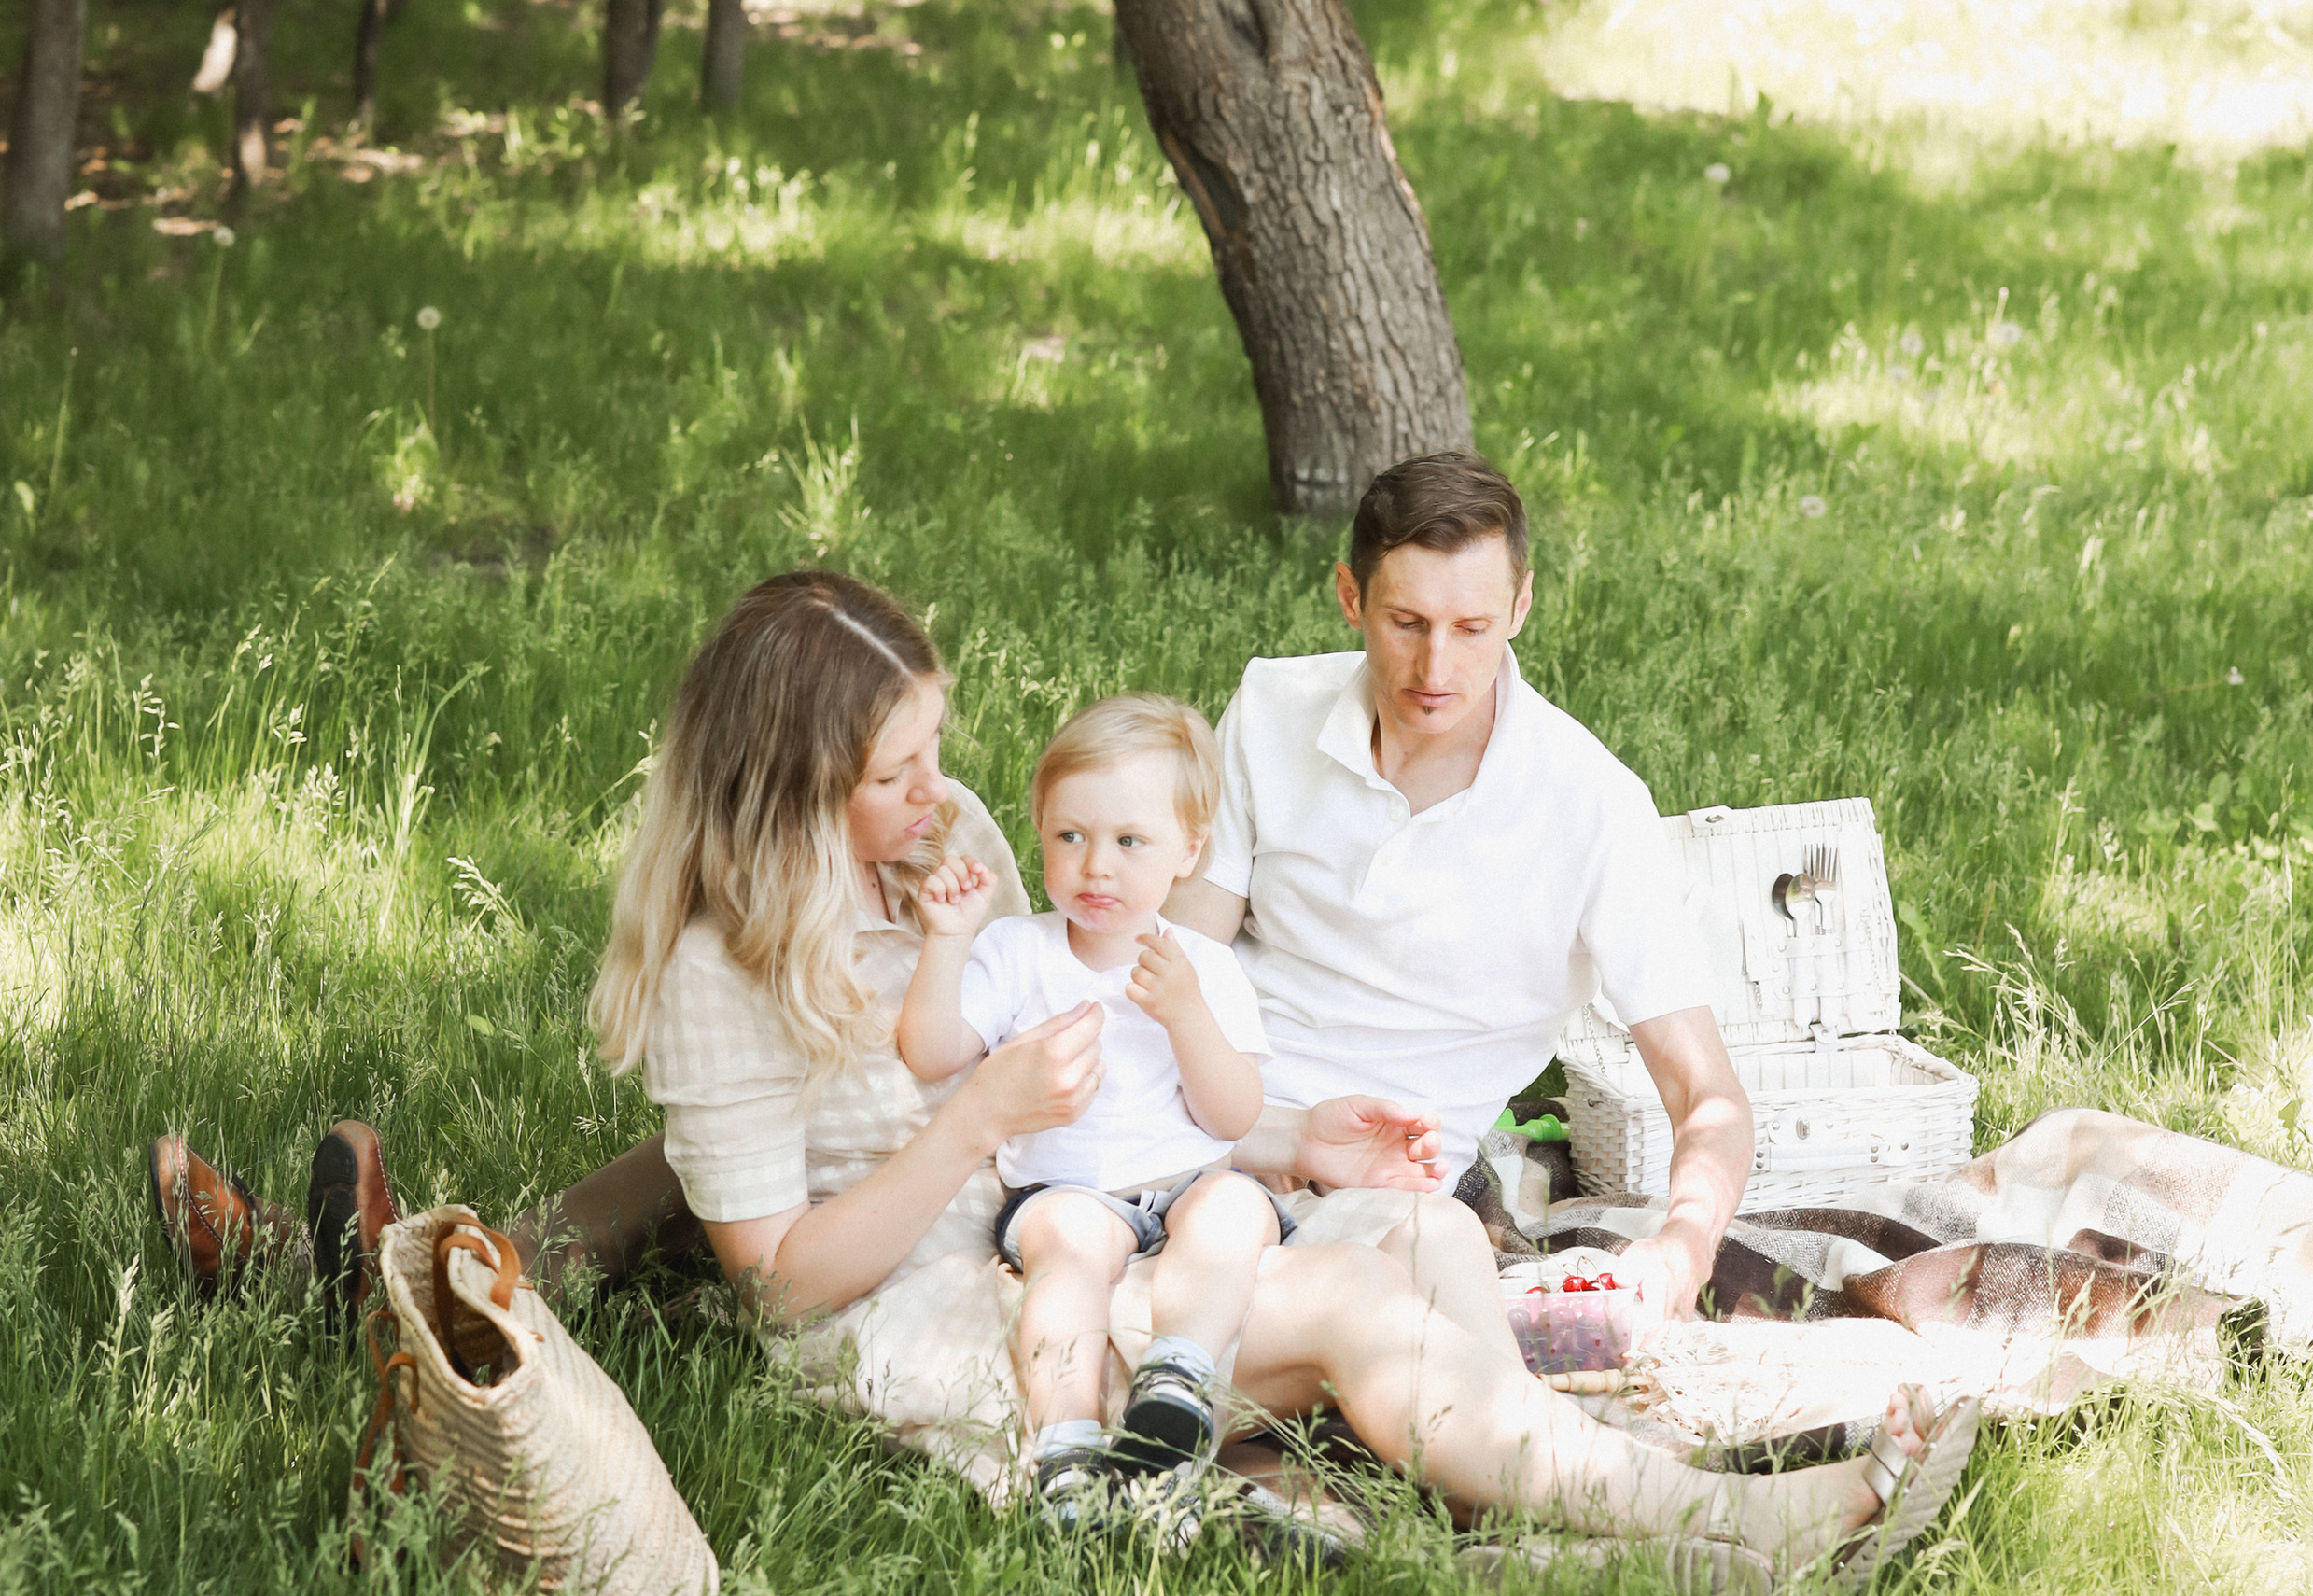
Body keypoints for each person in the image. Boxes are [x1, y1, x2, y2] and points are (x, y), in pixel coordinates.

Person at [150, 567, 1977, 1584]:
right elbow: (778, 1269)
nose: (944, 787)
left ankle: (408, 1269)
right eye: (900, 758)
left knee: (1401, 1223)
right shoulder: (721, 970)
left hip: (1039, 1203)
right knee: (1349, 1311)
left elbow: (1072, 1061)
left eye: (941, 745)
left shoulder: (935, 842)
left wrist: (1272, 1120)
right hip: (908, 1306)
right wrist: (967, 1124)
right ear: (788, 777)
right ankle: (1732, 1533)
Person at [1167, 449, 1756, 1343]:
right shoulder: (1269, 709)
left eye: (1473, 628)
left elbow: (1706, 1090)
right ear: (1349, 597)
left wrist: (1684, 1243)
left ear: (1521, 607)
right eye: (1406, 621)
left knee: (1340, 1334)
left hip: (1387, 1191)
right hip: (1217, 1119)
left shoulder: (1592, 804)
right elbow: (1181, 963)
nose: (1435, 666)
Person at [897, 694, 1290, 1511]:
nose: (1096, 866)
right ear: (1039, 830)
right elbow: (931, 1051)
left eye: (1128, 841)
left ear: (1189, 851)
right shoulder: (1016, 950)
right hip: (1064, 1191)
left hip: (1184, 1185)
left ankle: (1176, 1382)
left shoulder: (1205, 968)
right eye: (1069, 837)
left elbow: (1234, 1116)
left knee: (1235, 1209)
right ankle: (1066, 1444)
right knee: (1070, 1249)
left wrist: (1185, 1014)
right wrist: (946, 941)